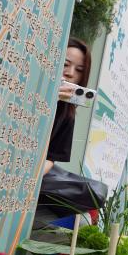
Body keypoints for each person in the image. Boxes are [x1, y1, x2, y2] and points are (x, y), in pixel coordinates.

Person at [44, 38, 91, 175]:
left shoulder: (67, 114)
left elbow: (50, 158)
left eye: (79, 70)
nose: (70, 73)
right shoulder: (30, 88)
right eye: (65, 64)